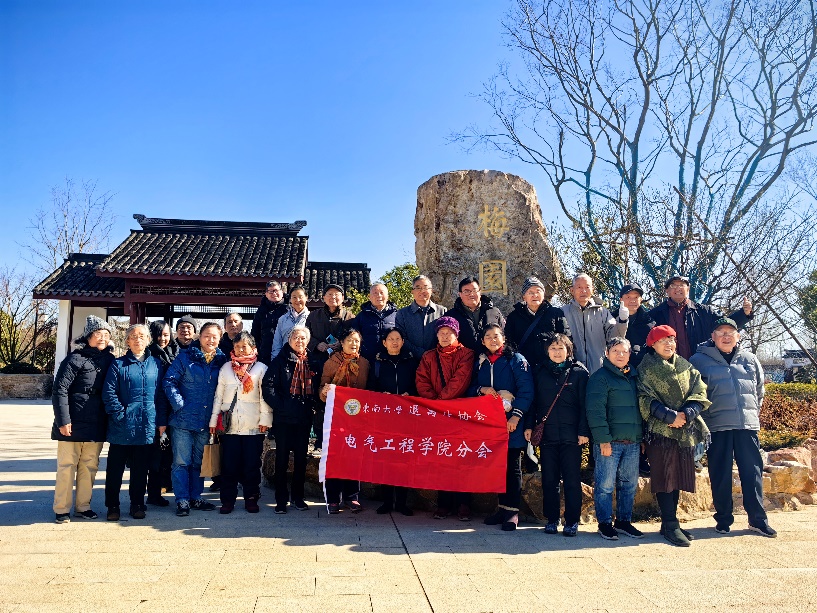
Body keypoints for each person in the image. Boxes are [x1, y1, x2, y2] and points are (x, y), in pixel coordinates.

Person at [690, 318, 776, 537]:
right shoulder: (698, 360)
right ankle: (723, 519)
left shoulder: (749, 359)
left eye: (731, 332)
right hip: (717, 426)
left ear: (738, 336)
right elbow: (694, 394)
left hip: (746, 426)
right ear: (713, 337)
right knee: (720, 474)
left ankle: (758, 520)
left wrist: (752, 413)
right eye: (721, 332)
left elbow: (759, 390)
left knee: (752, 473)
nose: (726, 336)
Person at [637, 325, 710, 547]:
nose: (668, 344)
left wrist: (687, 413)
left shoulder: (685, 365)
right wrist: (669, 416)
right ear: (653, 345)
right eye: (663, 340)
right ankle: (670, 524)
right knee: (664, 478)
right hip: (660, 431)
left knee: (677, 477)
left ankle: (671, 522)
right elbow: (644, 397)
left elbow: (700, 390)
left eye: (671, 339)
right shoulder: (646, 368)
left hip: (684, 429)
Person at [51, 315, 115, 523]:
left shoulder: (110, 360)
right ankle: (62, 509)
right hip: (72, 421)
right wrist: (63, 420)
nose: (102, 338)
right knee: (67, 466)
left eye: (106, 334)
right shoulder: (74, 359)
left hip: (96, 422)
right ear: (88, 336)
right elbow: (60, 390)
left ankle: (83, 506)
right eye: (98, 334)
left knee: (89, 466)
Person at [469, 324, 533, 531]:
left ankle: (512, 511)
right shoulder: (480, 362)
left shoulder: (516, 360)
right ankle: (502, 508)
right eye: (488, 336)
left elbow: (526, 391)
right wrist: (482, 389)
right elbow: (469, 388)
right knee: (497, 466)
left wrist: (515, 416)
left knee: (513, 466)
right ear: (482, 341)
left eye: (496, 336)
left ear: (503, 338)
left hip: (511, 422)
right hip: (489, 423)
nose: (492, 340)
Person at [102, 323, 169, 521]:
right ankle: (113, 506)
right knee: (115, 469)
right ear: (127, 341)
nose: (138, 339)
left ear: (148, 340)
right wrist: (120, 415)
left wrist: (161, 421)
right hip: (121, 426)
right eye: (133, 336)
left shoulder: (156, 364)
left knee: (141, 469)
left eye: (142, 336)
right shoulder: (118, 364)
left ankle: (137, 504)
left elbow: (161, 395)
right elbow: (109, 393)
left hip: (146, 425)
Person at [526, 333, 589, 537]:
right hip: (548, 436)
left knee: (572, 480)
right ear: (547, 351)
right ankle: (552, 519)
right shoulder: (539, 372)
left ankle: (572, 521)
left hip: (572, 436)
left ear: (568, 351)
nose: (556, 352)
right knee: (549, 480)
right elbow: (533, 403)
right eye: (552, 348)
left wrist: (583, 431)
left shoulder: (579, 373)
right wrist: (529, 426)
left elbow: (585, 406)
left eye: (561, 348)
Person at [163, 321, 228, 517]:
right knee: (181, 461)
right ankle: (182, 499)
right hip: (182, 420)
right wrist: (179, 405)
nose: (210, 340)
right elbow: (169, 381)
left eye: (215, 337)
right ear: (199, 337)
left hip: (206, 421)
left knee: (198, 462)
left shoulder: (222, 361)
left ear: (220, 339)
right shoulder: (185, 357)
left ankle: (195, 496)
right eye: (207, 336)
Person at [416, 316, 475, 521]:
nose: (444, 336)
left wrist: (440, 403)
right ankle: (444, 503)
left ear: (456, 334)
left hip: (460, 413)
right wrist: (435, 404)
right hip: (437, 414)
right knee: (442, 457)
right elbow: (421, 381)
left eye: (449, 332)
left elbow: (460, 380)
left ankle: (464, 503)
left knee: (462, 457)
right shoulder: (429, 356)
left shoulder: (467, 354)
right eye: (441, 333)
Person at [585, 337, 644, 541]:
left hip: (632, 442)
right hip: (609, 442)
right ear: (607, 353)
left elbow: (640, 410)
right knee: (605, 485)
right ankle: (604, 523)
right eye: (615, 351)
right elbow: (595, 411)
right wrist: (603, 440)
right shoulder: (600, 377)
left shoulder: (634, 376)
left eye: (624, 351)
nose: (620, 355)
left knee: (629, 485)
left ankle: (623, 522)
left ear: (629, 354)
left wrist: (641, 438)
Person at [209, 331, 271, 514]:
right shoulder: (226, 368)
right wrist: (213, 421)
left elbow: (264, 397)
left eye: (245, 346)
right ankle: (227, 500)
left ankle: (251, 499)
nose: (241, 350)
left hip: (253, 425)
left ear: (253, 348)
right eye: (237, 346)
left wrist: (265, 419)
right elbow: (218, 396)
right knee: (229, 466)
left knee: (251, 466)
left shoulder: (260, 368)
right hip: (230, 426)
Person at [262, 326, 319, 514]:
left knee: (301, 459)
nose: (299, 341)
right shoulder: (280, 360)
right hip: (284, 418)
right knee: (282, 459)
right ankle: (281, 499)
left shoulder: (312, 361)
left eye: (303, 338)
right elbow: (268, 387)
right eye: (296, 337)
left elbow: (318, 386)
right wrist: (282, 406)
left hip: (304, 417)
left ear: (308, 341)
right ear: (289, 340)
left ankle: (298, 497)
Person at [367, 327, 420, 515]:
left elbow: (418, 385)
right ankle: (387, 501)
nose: (394, 342)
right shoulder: (377, 363)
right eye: (391, 339)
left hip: (406, 416)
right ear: (384, 342)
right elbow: (370, 387)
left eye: (398, 338)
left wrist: (409, 394)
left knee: (404, 459)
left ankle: (402, 503)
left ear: (403, 342)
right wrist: (382, 395)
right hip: (385, 417)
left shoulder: (411, 361)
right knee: (386, 458)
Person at [319, 327, 370, 513]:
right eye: (349, 340)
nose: (353, 344)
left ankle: (352, 497)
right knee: (334, 456)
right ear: (342, 342)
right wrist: (324, 392)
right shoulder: (332, 362)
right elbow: (321, 388)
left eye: (356, 341)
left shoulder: (365, 363)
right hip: (335, 417)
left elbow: (369, 389)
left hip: (357, 418)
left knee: (353, 456)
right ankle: (333, 498)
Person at [649, 275, 753, 360]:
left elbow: (725, 325)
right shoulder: (655, 314)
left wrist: (744, 314)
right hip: (667, 367)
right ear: (667, 290)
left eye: (682, 285)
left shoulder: (704, 311)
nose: (678, 288)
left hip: (701, 364)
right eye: (673, 285)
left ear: (688, 289)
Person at [307, 283, 354, 454]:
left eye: (337, 294)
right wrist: (316, 344)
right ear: (323, 298)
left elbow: (354, 337)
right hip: (319, 363)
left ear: (342, 298)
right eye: (329, 294)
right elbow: (306, 336)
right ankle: (320, 441)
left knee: (341, 403)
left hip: (342, 364)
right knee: (320, 401)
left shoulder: (349, 317)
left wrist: (341, 344)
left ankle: (341, 440)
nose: (333, 297)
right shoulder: (313, 316)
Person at [563, 274, 628, 374]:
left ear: (592, 289)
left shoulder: (602, 312)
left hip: (599, 370)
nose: (584, 291)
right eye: (579, 287)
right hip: (572, 372)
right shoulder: (563, 312)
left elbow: (615, 338)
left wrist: (622, 321)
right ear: (572, 290)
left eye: (587, 287)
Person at [504, 276, 570, 368]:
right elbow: (508, 342)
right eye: (530, 292)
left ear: (543, 294)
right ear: (524, 297)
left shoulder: (555, 313)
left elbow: (566, 339)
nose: (535, 295)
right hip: (524, 367)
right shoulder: (514, 316)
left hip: (549, 367)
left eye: (538, 291)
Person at [146, 319, 176, 505]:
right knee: (156, 456)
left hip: (171, 412)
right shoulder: (150, 355)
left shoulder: (173, 352)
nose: (163, 338)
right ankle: (153, 494)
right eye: (159, 335)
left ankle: (163, 488)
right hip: (157, 412)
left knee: (166, 455)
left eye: (166, 335)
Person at [394, 275, 448, 358]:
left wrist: (433, 354)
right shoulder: (402, 313)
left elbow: (447, 335)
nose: (422, 291)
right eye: (418, 288)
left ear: (431, 290)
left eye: (426, 287)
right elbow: (401, 338)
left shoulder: (442, 311)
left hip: (437, 359)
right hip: (410, 360)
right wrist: (421, 353)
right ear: (412, 291)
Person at [447, 276, 505, 352]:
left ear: (480, 292)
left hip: (491, 358)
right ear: (460, 294)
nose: (471, 294)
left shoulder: (494, 312)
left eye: (474, 290)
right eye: (466, 291)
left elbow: (504, 335)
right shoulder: (451, 316)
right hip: (464, 358)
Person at [350, 282, 397, 362]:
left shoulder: (397, 315)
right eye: (375, 293)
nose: (379, 295)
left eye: (382, 293)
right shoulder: (361, 316)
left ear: (387, 296)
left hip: (392, 360)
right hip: (367, 360)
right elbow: (353, 337)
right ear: (369, 297)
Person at [616, 283, 655, 369]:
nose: (632, 301)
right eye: (628, 297)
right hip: (616, 366)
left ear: (641, 300)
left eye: (636, 297)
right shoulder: (610, 319)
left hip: (642, 368)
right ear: (621, 299)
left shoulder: (649, 322)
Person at [252, 280, 288, 366]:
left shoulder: (289, 309)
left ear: (282, 292)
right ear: (266, 294)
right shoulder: (261, 311)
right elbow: (255, 333)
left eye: (276, 290)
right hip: (265, 354)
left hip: (285, 352)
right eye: (271, 291)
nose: (274, 293)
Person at [271, 285, 310, 360]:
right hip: (285, 359)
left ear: (306, 298)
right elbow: (277, 343)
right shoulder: (282, 319)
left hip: (305, 360)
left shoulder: (312, 318)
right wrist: (275, 361)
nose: (297, 300)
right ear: (290, 299)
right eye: (294, 297)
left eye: (300, 297)